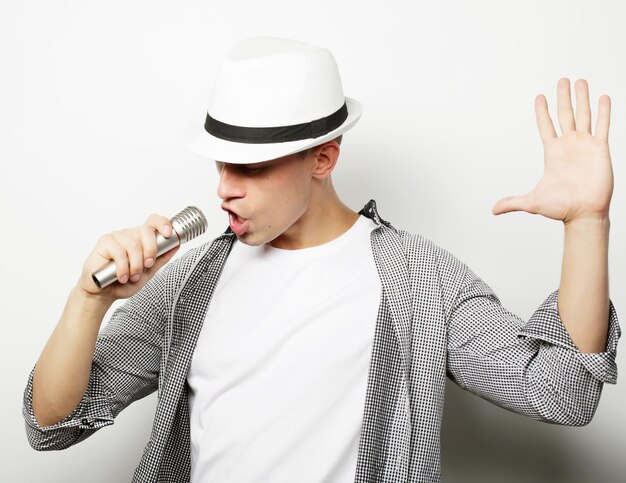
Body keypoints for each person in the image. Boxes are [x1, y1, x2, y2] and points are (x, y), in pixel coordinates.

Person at [23, 37, 620, 483]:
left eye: (251, 167)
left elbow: (562, 391)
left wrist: (588, 225)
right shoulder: (189, 282)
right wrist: (88, 299)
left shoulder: (417, 279)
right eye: (220, 163)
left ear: (323, 159)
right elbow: (51, 425)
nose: (225, 188)